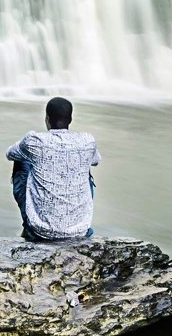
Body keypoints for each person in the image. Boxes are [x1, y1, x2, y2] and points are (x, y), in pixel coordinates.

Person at [6, 97, 101, 241]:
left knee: (22, 159)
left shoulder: (34, 141)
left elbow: (10, 154)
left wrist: (30, 148)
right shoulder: (87, 141)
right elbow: (95, 161)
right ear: (70, 119)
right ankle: (74, 220)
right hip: (79, 231)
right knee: (84, 163)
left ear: (47, 119)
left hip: (40, 231)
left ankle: (28, 225)